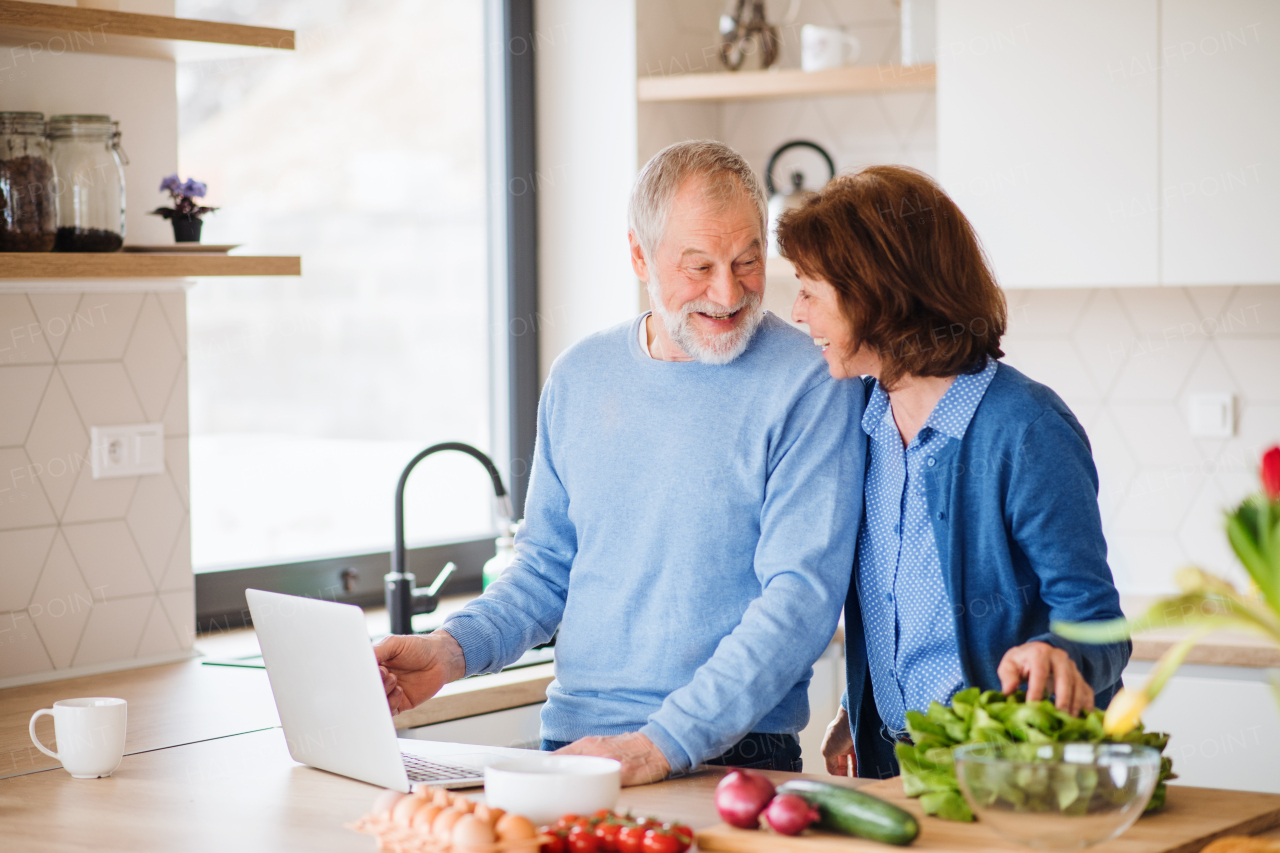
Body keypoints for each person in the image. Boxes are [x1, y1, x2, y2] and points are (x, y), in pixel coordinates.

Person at [374, 140, 866, 785]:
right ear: (639, 254)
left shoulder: (812, 379)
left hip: (730, 757)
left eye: (747, 261)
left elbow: (799, 599)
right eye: (699, 267)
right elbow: (548, 567)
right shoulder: (581, 375)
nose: (728, 291)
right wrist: (449, 650)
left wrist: (659, 744)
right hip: (572, 745)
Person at [777, 165, 1131, 779]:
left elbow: (1099, 625)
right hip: (889, 762)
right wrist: (856, 703)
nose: (797, 310)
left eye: (810, 288)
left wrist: (1052, 653)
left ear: (875, 291)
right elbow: (900, 603)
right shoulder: (862, 420)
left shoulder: (1024, 430)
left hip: (1010, 773)